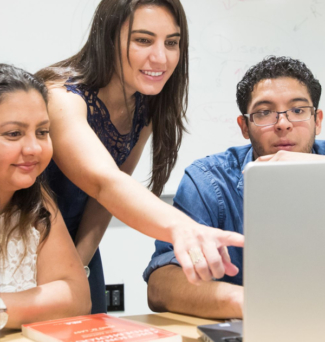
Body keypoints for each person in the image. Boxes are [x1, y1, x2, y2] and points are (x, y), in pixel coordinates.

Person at [36, 0, 244, 314]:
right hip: (26, 238)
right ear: (107, 40)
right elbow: (103, 181)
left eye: (172, 43)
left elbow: (105, 199)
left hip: (80, 242)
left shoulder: (143, 106)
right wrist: (181, 227)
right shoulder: (62, 97)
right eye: (143, 40)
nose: (161, 58)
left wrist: (78, 266)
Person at [143, 56, 325, 319]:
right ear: (244, 127)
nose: (283, 124)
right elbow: (161, 286)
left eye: (298, 110)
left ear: (317, 121)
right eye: (264, 112)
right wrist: (255, 304)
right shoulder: (208, 180)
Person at [0, 64, 91, 330]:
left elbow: (77, 297)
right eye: (13, 134)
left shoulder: (36, 200)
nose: (33, 148)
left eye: (42, 132)